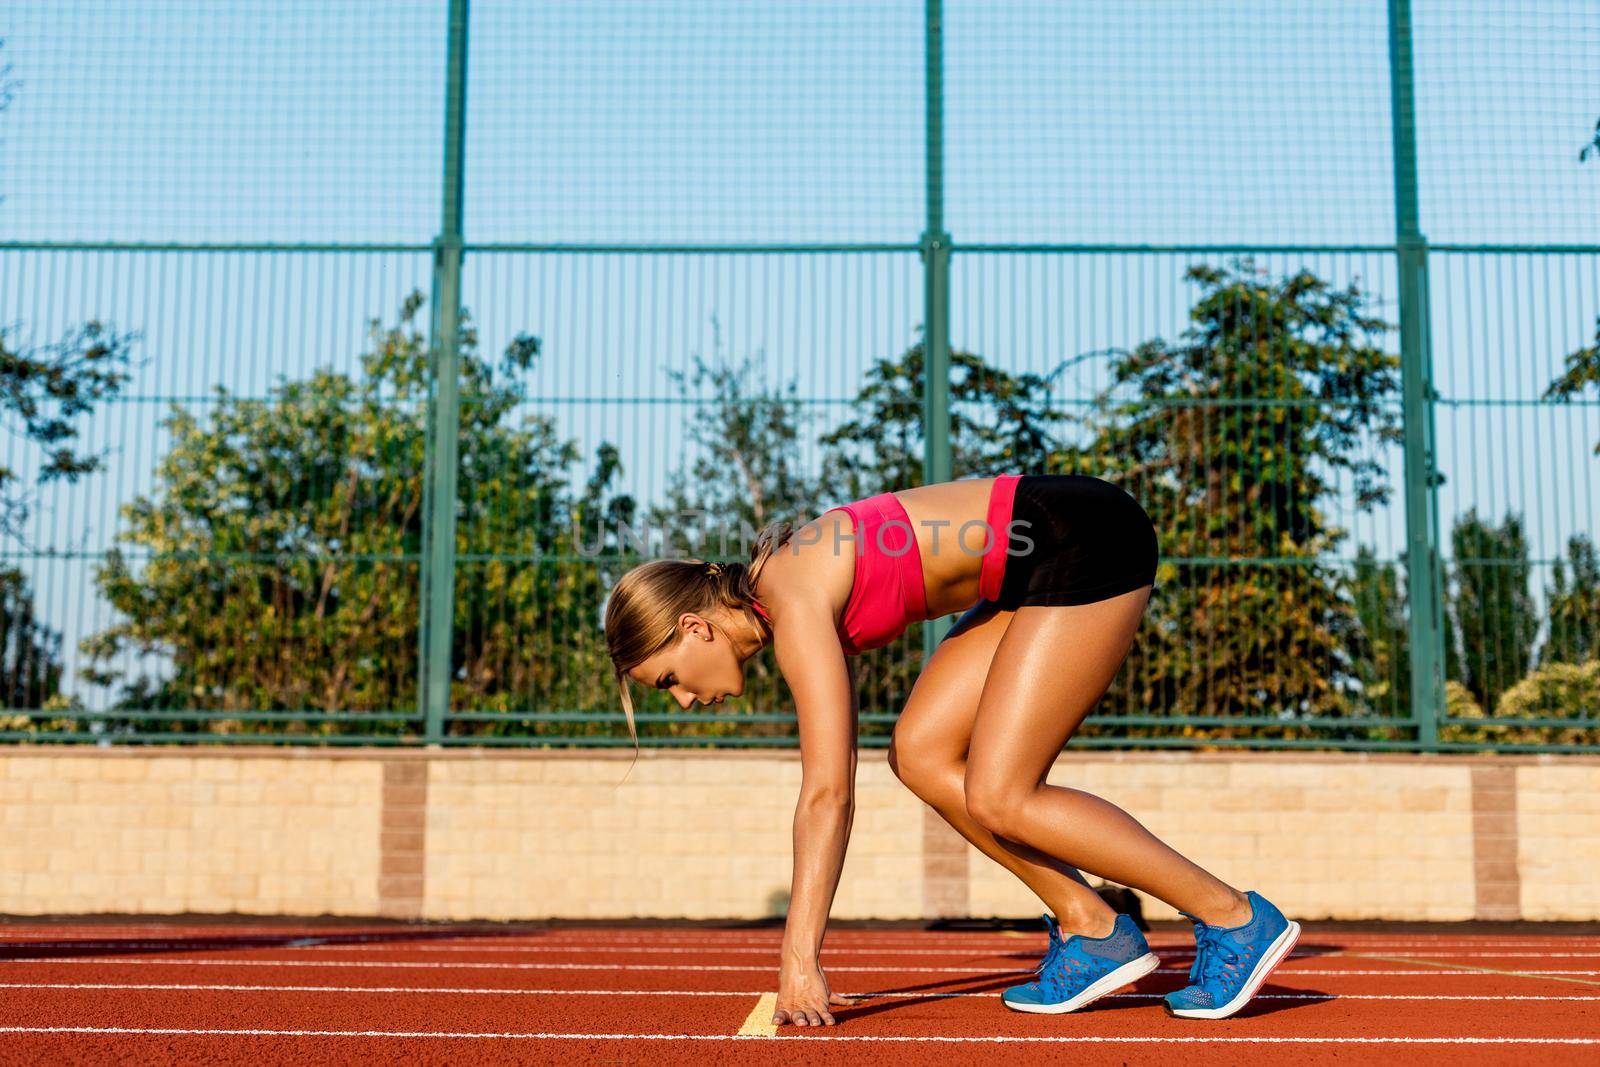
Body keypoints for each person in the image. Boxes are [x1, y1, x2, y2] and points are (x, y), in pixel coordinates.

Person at [604, 473, 1300, 1026]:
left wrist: (799, 958)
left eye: (668, 679)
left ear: (694, 626)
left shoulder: (791, 595)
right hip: (1032, 564)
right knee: (920, 753)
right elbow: (838, 774)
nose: (685, 700)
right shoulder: (784, 598)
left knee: (1004, 791)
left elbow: (827, 794)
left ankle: (1235, 917)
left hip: (1081, 536)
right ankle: (1093, 926)